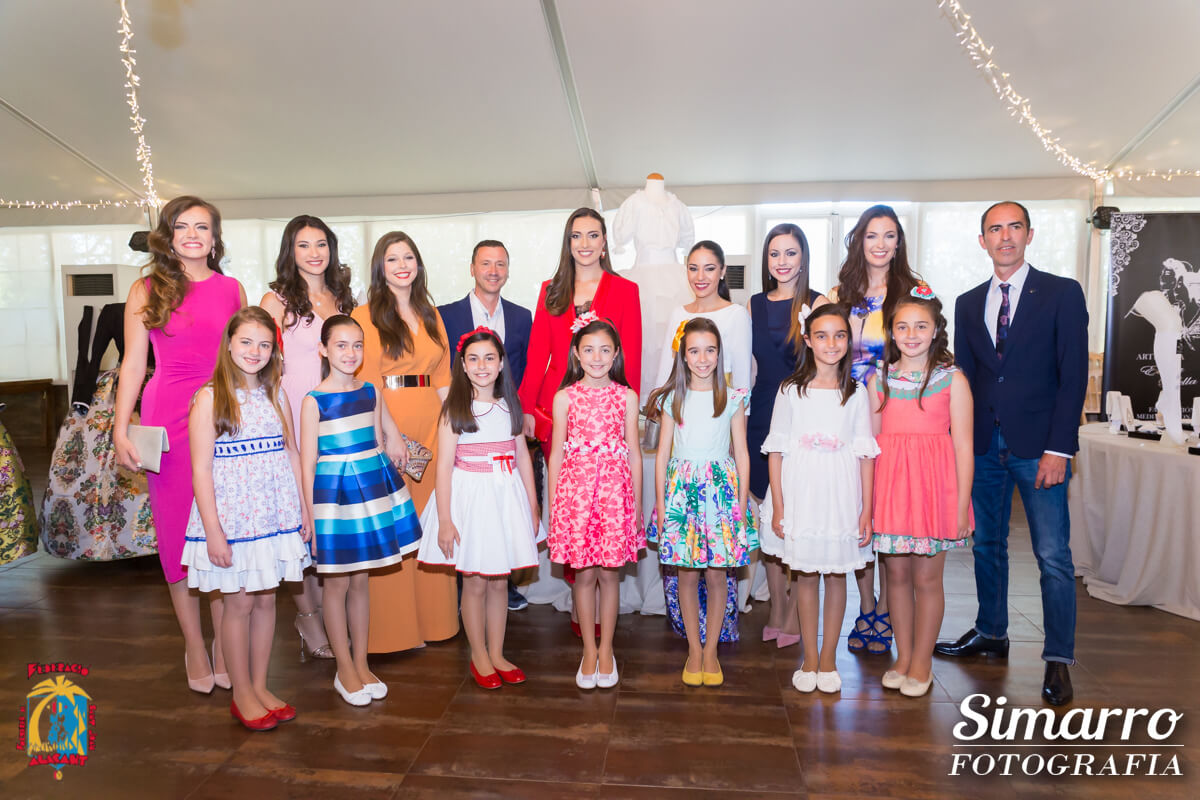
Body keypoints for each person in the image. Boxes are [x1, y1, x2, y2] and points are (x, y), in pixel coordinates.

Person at [935, 201, 1088, 707]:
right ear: (982, 241)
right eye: (995, 229)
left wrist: (1058, 448)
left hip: (1040, 448)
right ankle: (991, 632)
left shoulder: (1062, 293)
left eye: (1014, 227)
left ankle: (1058, 657)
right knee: (986, 545)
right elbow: (968, 379)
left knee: (1052, 556)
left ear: (1029, 234)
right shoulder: (967, 302)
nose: (1005, 237)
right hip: (983, 445)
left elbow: (1073, 377)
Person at [113, 195, 245, 694]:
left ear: (214, 238)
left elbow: (243, 359)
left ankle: (223, 644)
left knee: (220, 528)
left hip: (223, 414)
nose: (192, 235)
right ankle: (193, 642)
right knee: (175, 535)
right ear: (168, 237)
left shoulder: (232, 289)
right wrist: (120, 428)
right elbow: (133, 363)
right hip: (167, 414)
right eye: (182, 227)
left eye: (202, 227)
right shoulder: (146, 289)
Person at [179, 307, 312, 731]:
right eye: (247, 342)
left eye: (264, 344)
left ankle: (259, 685)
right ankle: (241, 694)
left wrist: (304, 509)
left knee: (267, 600)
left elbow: (291, 453)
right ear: (229, 344)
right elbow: (201, 471)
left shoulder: (275, 394)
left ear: (274, 351)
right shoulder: (209, 398)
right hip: (234, 520)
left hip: (273, 515)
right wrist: (213, 532)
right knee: (238, 603)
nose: (255, 351)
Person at [300, 314, 421, 707]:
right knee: (336, 584)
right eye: (340, 345)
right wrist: (310, 516)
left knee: (361, 581)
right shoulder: (314, 401)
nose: (350, 353)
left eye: (357, 345)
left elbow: (380, 441)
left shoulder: (370, 390)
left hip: (369, 491)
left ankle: (362, 663)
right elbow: (308, 463)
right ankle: (344, 670)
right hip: (334, 498)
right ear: (323, 349)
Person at [759, 304, 878, 695]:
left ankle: (829, 658)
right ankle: (809, 657)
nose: (831, 343)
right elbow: (776, 450)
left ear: (848, 341)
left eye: (839, 335)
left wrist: (867, 510)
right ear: (808, 340)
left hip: (840, 494)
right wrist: (779, 505)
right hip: (801, 493)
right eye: (822, 336)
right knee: (806, 576)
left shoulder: (855, 393)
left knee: (837, 574)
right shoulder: (790, 390)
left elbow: (865, 453)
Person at [352, 231, 459, 653]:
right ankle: (394, 632)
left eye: (408, 257)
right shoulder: (365, 316)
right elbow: (367, 382)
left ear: (418, 264)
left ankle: (436, 622)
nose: (402, 265)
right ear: (380, 267)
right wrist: (390, 435)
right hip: (389, 424)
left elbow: (444, 377)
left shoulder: (431, 313)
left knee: (433, 518)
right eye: (392, 258)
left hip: (433, 423)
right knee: (396, 524)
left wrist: (455, 428)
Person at [417, 328, 541, 689]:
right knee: (474, 582)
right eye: (473, 359)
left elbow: (522, 457)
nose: (482, 365)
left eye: (489, 358)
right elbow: (443, 467)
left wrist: (532, 505)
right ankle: (479, 655)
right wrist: (444, 520)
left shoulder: (509, 406)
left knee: (499, 581)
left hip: (505, 498)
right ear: (463, 365)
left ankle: (498, 653)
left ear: (501, 363)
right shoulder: (455, 409)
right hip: (471, 500)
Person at [869, 287, 974, 697]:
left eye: (920, 326)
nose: (911, 335)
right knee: (895, 575)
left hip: (934, 492)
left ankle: (922, 661)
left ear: (935, 331)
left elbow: (963, 446)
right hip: (892, 489)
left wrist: (961, 506)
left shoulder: (953, 380)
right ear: (891, 332)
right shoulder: (878, 380)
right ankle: (903, 655)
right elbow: (871, 444)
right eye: (903, 327)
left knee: (927, 578)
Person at [261, 214, 357, 662]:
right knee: (299, 524)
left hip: (337, 422)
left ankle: (332, 616)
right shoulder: (276, 301)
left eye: (321, 244)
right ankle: (308, 618)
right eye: (303, 245)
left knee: (329, 521)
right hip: (294, 421)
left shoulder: (343, 298)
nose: (314, 253)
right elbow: (263, 368)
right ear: (290, 251)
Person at [830, 205, 922, 657]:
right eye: (871, 235)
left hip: (894, 409)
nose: (880, 244)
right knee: (856, 508)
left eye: (889, 235)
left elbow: (927, 349)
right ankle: (866, 604)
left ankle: (887, 608)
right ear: (859, 241)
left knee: (888, 511)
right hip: (847, 409)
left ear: (898, 241)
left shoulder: (914, 291)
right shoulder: (839, 293)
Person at [645, 318, 757, 687]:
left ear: (719, 354)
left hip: (720, 495)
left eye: (710, 350)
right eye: (694, 351)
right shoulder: (671, 399)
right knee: (687, 575)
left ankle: (711, 650)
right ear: (683, 355)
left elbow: (742, 454)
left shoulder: (733, 398)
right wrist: (662, 505)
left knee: (718, 575)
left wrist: (740, 504)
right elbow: (663, 456)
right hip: (682, 496)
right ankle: (694, 649)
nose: (703, 358)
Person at [547, 316, 643, 689]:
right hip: (577, 496)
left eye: (605, 350)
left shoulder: (627, 396)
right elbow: (556, 454)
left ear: (616, 354)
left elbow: (634, 453)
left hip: (615, 496)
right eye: (589, 350)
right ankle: (588, 650)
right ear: (576, 353)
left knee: (609, 574)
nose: (597, 357)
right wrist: (556, 505)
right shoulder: (565, 397)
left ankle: (606, 649)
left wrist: (635, 505)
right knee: (584, 575)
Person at [438, 239, 534, 612]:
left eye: (500, 264)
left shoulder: (522, 316)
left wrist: (520, 412)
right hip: (462, 418)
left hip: (504, 417)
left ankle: (502, 582)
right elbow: (441, 367)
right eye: (485, 263)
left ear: (508, 270)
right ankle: (466, 587)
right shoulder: (446, 315)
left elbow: (523, 369)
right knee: (469, 506)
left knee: (503, 503)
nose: (493, 271)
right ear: (472, 268)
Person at [747, 223, 829, 648]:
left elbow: (832, 363)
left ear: (803, 258)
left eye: (790, 253)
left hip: (804, 414)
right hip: (763, 412)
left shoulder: (820, 302)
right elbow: (749, 366)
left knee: (799, 515)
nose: (782, 261)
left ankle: (798, 608)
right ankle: (777, 605)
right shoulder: (754, 304)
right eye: (774, 253)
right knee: (768, 517)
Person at [519, 208, 643, 451]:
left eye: (593, 235)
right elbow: (537, 355)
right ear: (568, 242)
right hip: (555, 405)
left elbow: (631, 358)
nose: (584, 244)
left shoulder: (626, 291)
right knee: (559, 474)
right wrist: (526, 407)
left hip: (606, 407)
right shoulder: (550, 290)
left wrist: (628, 411)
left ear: (604, 241)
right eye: (576, 236)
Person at [653, 240, 752, 392]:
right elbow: (665, 372)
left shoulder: (736, 315)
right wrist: (658, 403)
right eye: (693, 268)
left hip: (721, 402)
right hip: (680, 401)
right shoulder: (678, 314)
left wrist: (741, 407)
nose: (700, 277)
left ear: (722, 271)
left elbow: (742, 378)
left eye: (709, 269)